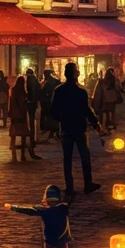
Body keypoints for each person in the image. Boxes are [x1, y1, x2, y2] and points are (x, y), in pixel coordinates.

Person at [6, 183, 80, 248]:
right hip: (60, 237)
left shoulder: (45, 209)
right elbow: (70, 199)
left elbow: (28, 210)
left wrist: (12, 207)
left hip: (50, 237)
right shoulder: (63, 208)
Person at [50, 62, 102, 199]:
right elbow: (86, 110)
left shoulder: (59, 91)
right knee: (84, 156)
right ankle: (87, 183)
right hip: (79, 128)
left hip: (67, 128)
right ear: (76, 74)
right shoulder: (81, 92)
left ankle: (70, 187)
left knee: (67, 159)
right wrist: (96, 123)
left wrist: (61, 119)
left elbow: (53, 111)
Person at [8, 75, 30, 163]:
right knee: (23, 135)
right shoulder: (23, 92)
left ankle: (14, 155)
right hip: (21, 115)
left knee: (13, 135)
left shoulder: (13, 90)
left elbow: (11, 102)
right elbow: (22, 104)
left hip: (14, 115)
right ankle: (23, 155)